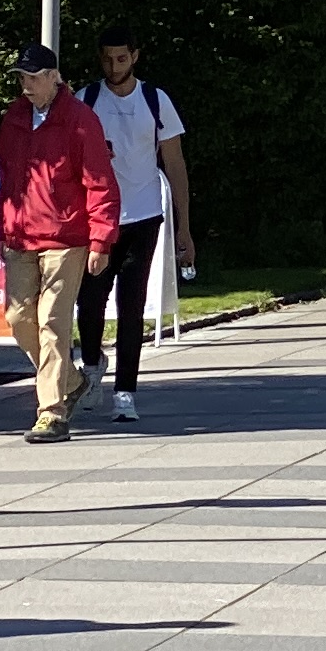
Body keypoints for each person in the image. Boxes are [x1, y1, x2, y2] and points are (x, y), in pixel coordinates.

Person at [0, 45, 118, 443]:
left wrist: (101, 238)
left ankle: (52, 412)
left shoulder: (80, 120)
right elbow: (8, 178)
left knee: (52, 321)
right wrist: (2, 226)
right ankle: (72, 380)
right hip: (20, 236)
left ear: (54, 77)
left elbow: (99, 182)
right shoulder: (14, 118)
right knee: (17, 318)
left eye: (33, 77)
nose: (26, 85)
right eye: (22, 78)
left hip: (66, 238)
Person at [78, 26, 192, 422]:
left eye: (121, 58)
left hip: (143, 216)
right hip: (97, 219)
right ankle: (91, 368)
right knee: (89, 301)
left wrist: (185, 228)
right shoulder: (86, 100)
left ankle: (125, 391)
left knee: (132, 305)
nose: (114, 66)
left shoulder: (155, 100)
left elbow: (174, 164)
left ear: (135, 56)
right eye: (107, 59)